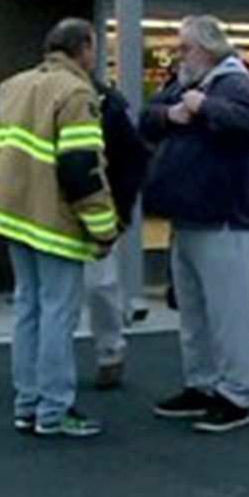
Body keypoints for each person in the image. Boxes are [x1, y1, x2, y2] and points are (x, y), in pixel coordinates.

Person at [0, 18, 119, 439]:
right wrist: (103, 227)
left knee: (28, 310)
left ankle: (27, 403)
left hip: (12, 214)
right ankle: (55, 408)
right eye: (96, 47)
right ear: (85, 48)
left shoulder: (12, 86)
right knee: (59, 314)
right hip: (52, 218)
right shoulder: (76, 93)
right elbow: (81, 168)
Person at [141, 15, 249, 435]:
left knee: (228, 314)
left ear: (210, 49)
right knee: (194, 312)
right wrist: (170, 115)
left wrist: (205, 108)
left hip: (224, 219)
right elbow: (145, 118)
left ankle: (236, 393)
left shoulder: (234, 83)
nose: (179, 56)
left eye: (185, 48)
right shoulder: (185, 84)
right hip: (190, 217)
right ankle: (201, 383)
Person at [85, 72, 149, 385]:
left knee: (100, 285)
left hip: (94, 208)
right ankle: (107, 351)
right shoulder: (107, 104)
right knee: (97, 285)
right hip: (63, 210)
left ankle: (110, 350)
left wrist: (120, 210)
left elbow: (131, 158)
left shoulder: (108, 105)